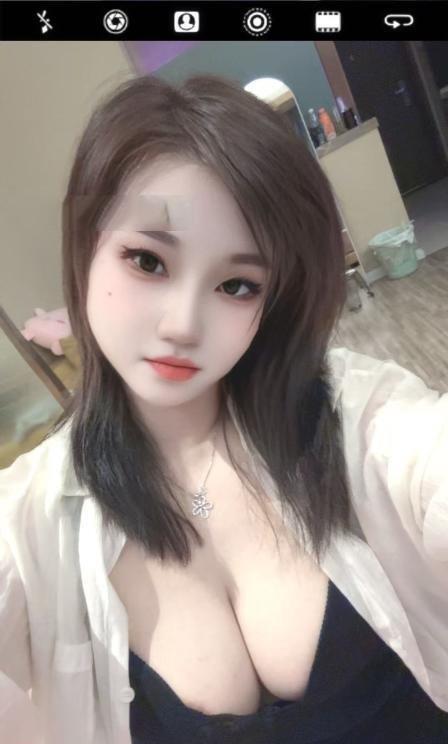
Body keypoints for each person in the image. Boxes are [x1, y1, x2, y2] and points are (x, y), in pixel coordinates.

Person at [0, 73, 447, 744]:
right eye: (148, 261)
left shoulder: (353, 416)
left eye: (237, 285)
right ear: (86, 245)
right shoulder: (31, 521)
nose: (183, 324)